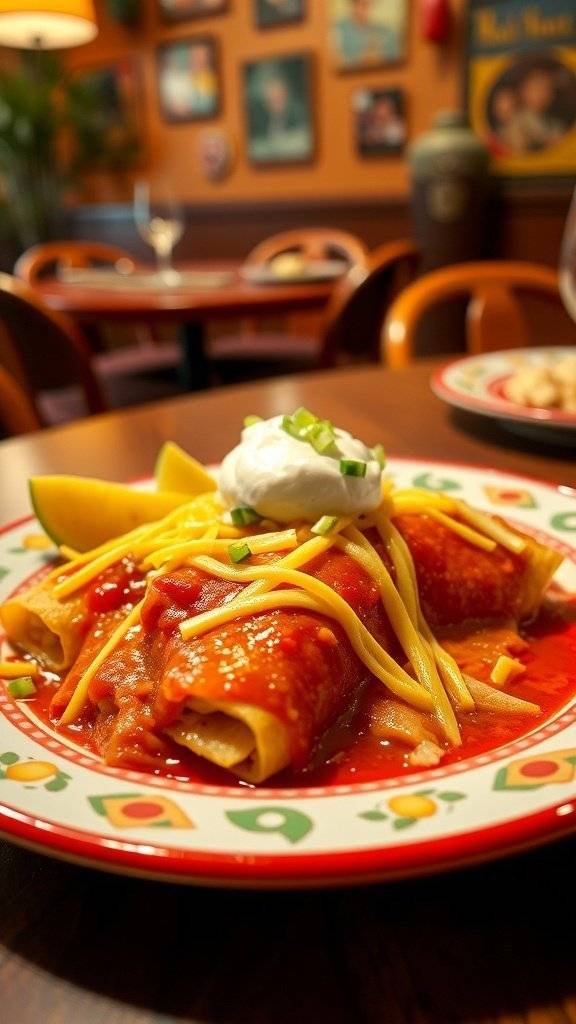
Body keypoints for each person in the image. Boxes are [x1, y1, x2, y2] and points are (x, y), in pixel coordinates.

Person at [333, 0, 400, 68]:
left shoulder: (385, 32)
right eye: (362, 4)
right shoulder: (338, 29)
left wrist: (379, 57)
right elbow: (336, 63)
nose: (366, 9)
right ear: (352, 5)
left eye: (368, 5)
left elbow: (396, 60)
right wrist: (361, 60)